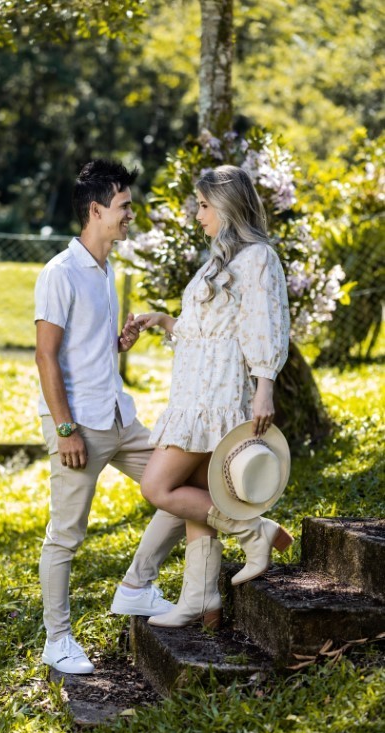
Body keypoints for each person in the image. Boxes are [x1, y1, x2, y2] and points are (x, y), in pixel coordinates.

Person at [116, 164, 293, 629]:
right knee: (199, 491)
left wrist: (265, 387)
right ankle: (201, 598)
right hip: (192, 392)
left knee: (157, 487)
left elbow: (265, 327)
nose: (198, 214)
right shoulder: (219, 259)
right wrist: (163, 321)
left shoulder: (258, 257)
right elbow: (206, 331)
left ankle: (252, 531)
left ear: (228, 206)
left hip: (218, 395)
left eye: (204, 205)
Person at [34, 159, 185, 675]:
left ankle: (137, 585)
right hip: (79, 427)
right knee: (65, 535)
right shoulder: (60, 273)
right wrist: (65, 430)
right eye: (124, 206)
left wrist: (117, 344)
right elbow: (46, 356)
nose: (130, 215)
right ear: (96, 210)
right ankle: (57, 640)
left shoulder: (106, 269)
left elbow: (82, 347)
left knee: (181, 486)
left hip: (121, 417)